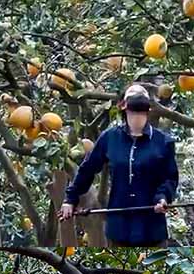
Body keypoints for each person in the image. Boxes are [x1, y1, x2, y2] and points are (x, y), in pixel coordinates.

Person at [60, 84, 178, 247]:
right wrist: (70, 199)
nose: (137, 98)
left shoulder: (164, 142)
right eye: (133, 95)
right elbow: (88, 170)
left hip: (152, 228)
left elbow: (170, 178)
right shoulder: (110, 138)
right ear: (122, 105)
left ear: (148, 107)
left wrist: (163, 197)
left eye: (141, 96)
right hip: (119, 228)